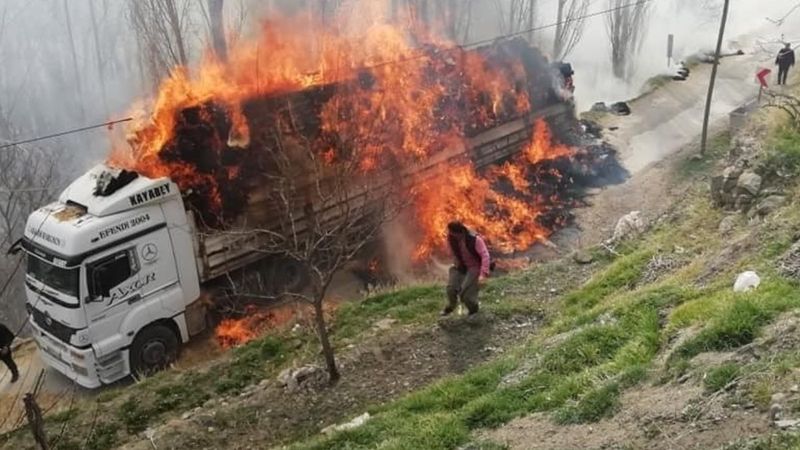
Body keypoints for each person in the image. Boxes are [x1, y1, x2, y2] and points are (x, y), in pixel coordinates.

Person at [442, 221, 491, 317]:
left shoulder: (474, 239)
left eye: (454, 234)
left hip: (474, 267)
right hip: (460, 266)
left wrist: (483, 274)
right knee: (451, 289)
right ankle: (451, 306)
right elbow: (453, 251)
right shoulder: (451, 237)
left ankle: (473, 310)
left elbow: (485, 256)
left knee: (466, 295)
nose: (452, 235)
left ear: (460, 232)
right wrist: (456, 261)